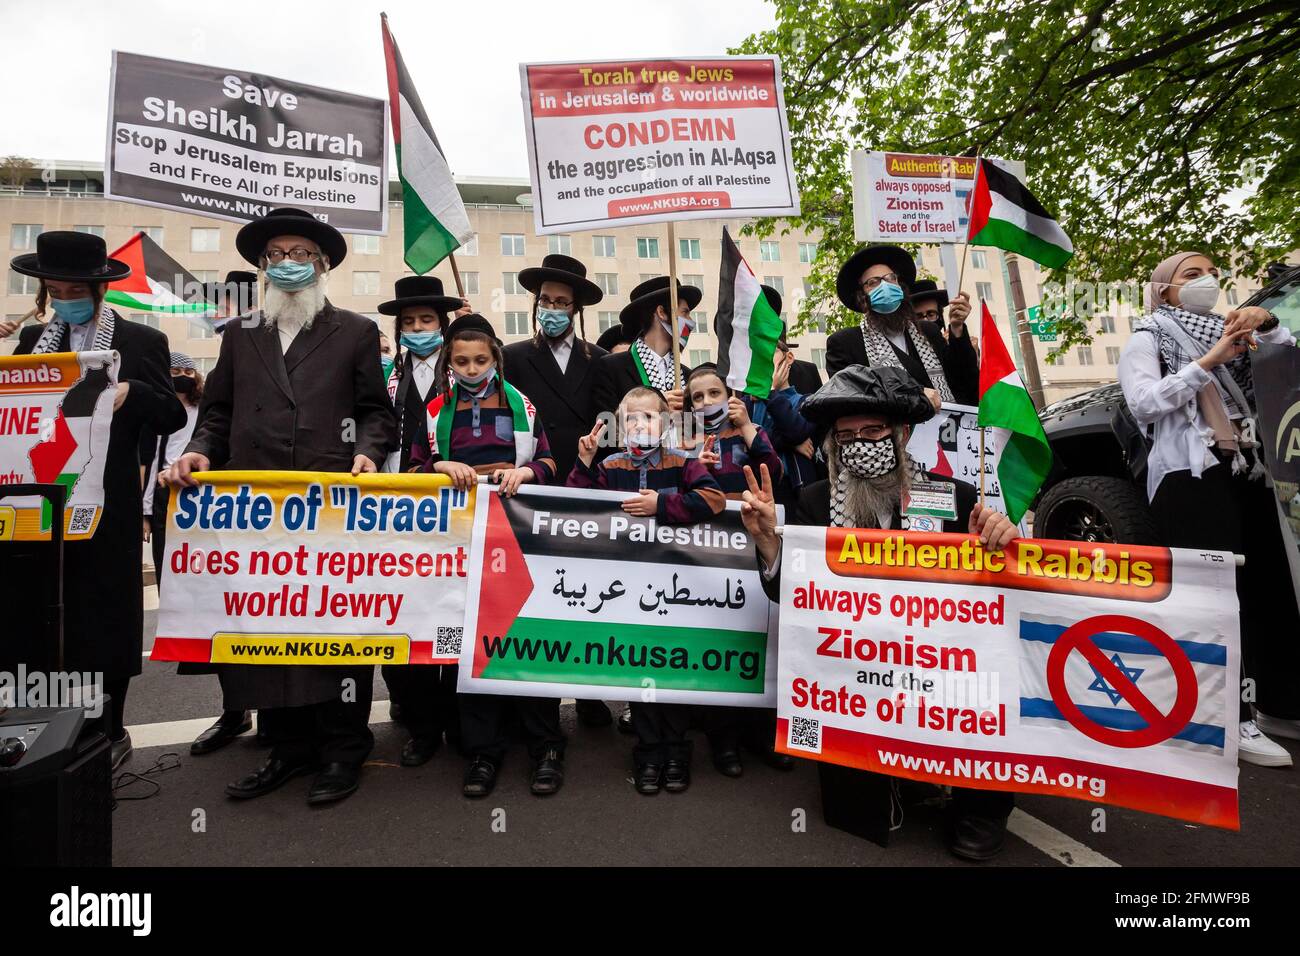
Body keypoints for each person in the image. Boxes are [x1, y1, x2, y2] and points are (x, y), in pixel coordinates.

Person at [166, 207, 397, 806]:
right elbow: (216, 413)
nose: (287, 263)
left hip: (331, 509)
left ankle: (344, 749)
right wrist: (197, 453)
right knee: (270, 632)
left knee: (335, 632)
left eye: (299, 254)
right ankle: (289, 748)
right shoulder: (241, 335)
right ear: (262, 267)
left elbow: (376, 412)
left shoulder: (354, 330)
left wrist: (369, 451)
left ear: (322, 264)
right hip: (257, 512)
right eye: (276, 255)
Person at [740, 365, 1020, 860]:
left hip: (942, 656)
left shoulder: (954, 497)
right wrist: (768, 544)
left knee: (990, 683)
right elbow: (793, 593)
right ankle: (887, 777)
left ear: (902, 433)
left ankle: (980, 807)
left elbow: (993, 593)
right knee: (851, 795)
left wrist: (1000, 540)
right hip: (856, 661)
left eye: (873, 431)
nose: (860, 442)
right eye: (846, 435)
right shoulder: (814, 501)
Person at [2, 231, 185, 769]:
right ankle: (42, 725)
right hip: (36, 502)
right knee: (35, 614)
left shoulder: (140, 342)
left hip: (105, 506)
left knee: (100, 614)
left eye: (74, 288)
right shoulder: (33, 341)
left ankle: (107, 728)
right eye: (54, 289)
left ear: (100, 288)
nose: (64, 298)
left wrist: (137, 392)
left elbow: (171, 417)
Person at [1119, 250, 1300, 768]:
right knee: (1221, 600)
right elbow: (1144, 403)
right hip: (1191, 476)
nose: (1205, 281)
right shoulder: (1149, 337)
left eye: (1209, 272)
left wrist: (1268, 321)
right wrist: (1208, 362)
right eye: (1189, 275)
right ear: (1163, 290)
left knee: (1271, 587)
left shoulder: (1238, 331)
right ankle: (1230, 716)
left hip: (1251, 468)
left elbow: (1287, 361)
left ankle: (1281, 703)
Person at [412, 313, 565, 797]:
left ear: (495, 358)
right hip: (460, 541)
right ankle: (482, 751)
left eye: (480, 359)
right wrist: (440, 464)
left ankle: (546, 746)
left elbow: (550, 460)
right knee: (472, 642)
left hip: (517, 534)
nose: (471, 368)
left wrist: (530, 474)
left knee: (526, 633)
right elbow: (413, 468)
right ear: (448, 362)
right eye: (461, 361)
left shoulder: (525, 405)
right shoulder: (435, 411)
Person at [568, 387, 726, 794]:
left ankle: (677, 752)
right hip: (626, 591)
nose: (640, 425)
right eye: (632, 419)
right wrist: (584, 463)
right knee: (639, 671)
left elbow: (712, 499)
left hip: (675, 589)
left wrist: (662, 504)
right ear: (620, 426)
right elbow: (576, 507)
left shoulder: (682, 462)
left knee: (671, 670)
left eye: (649, 418)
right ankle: (648, 752)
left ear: (667, 424)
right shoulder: (609, 464)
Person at [505, 253, 616, 729]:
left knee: (591, 593)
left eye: (562, 302)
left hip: (588, 488)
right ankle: (539, 708)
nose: (552, 308)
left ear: (576, 309)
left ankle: (591, 693)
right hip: (534, 487)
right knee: (541, 594)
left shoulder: (602, 362)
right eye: (545, 300)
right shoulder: (511, 357)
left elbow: (612, 425)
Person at [373, 274, 466, 766]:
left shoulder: (467, 373)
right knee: (402, 616)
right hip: (396, 511)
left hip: (455, 515)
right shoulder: (385, 375)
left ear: (444, 325)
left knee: (451, 616)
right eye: (408, 322)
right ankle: (421, 721)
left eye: (426, 320)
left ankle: (457, 717)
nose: (417, 328)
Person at [685, 364, 787, 777]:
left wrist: (746, 425)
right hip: (705, 555)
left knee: (754, 639)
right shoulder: (684, 437)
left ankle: (762, 733)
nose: (707, 402)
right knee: (715, 641)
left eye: (714, 393)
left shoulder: (748, 431)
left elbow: (773, 473)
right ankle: (722, 737)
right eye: (697, 397)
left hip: (750, 546)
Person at [825, 245, 978, 405]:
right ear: (862, 298)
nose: (885, 286)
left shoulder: (928, 331)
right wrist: (915, 394)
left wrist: (957, 328)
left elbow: (964, 380)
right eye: (873, 282)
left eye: (891, 278)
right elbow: (850, 398)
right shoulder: (845, 343)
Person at [590, 275, 701, 423]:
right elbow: (606, 433)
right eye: (685, 312)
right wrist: (656, 404)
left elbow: (697, 434)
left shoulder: (688, 375)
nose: (691, 321)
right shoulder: (611, 368)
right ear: (662, 312)